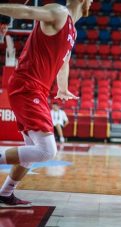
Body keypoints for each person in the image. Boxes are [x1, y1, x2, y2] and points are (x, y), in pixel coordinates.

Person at [0, 0, 92, 207]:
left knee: (32, 150)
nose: (93, 3)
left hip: (37, 88)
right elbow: (27, 11)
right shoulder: (59, 12)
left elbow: (64, 61)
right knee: (47, 151)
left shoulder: (72, 31)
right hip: (27, 85)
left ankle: (5, 193)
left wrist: (62, 87)